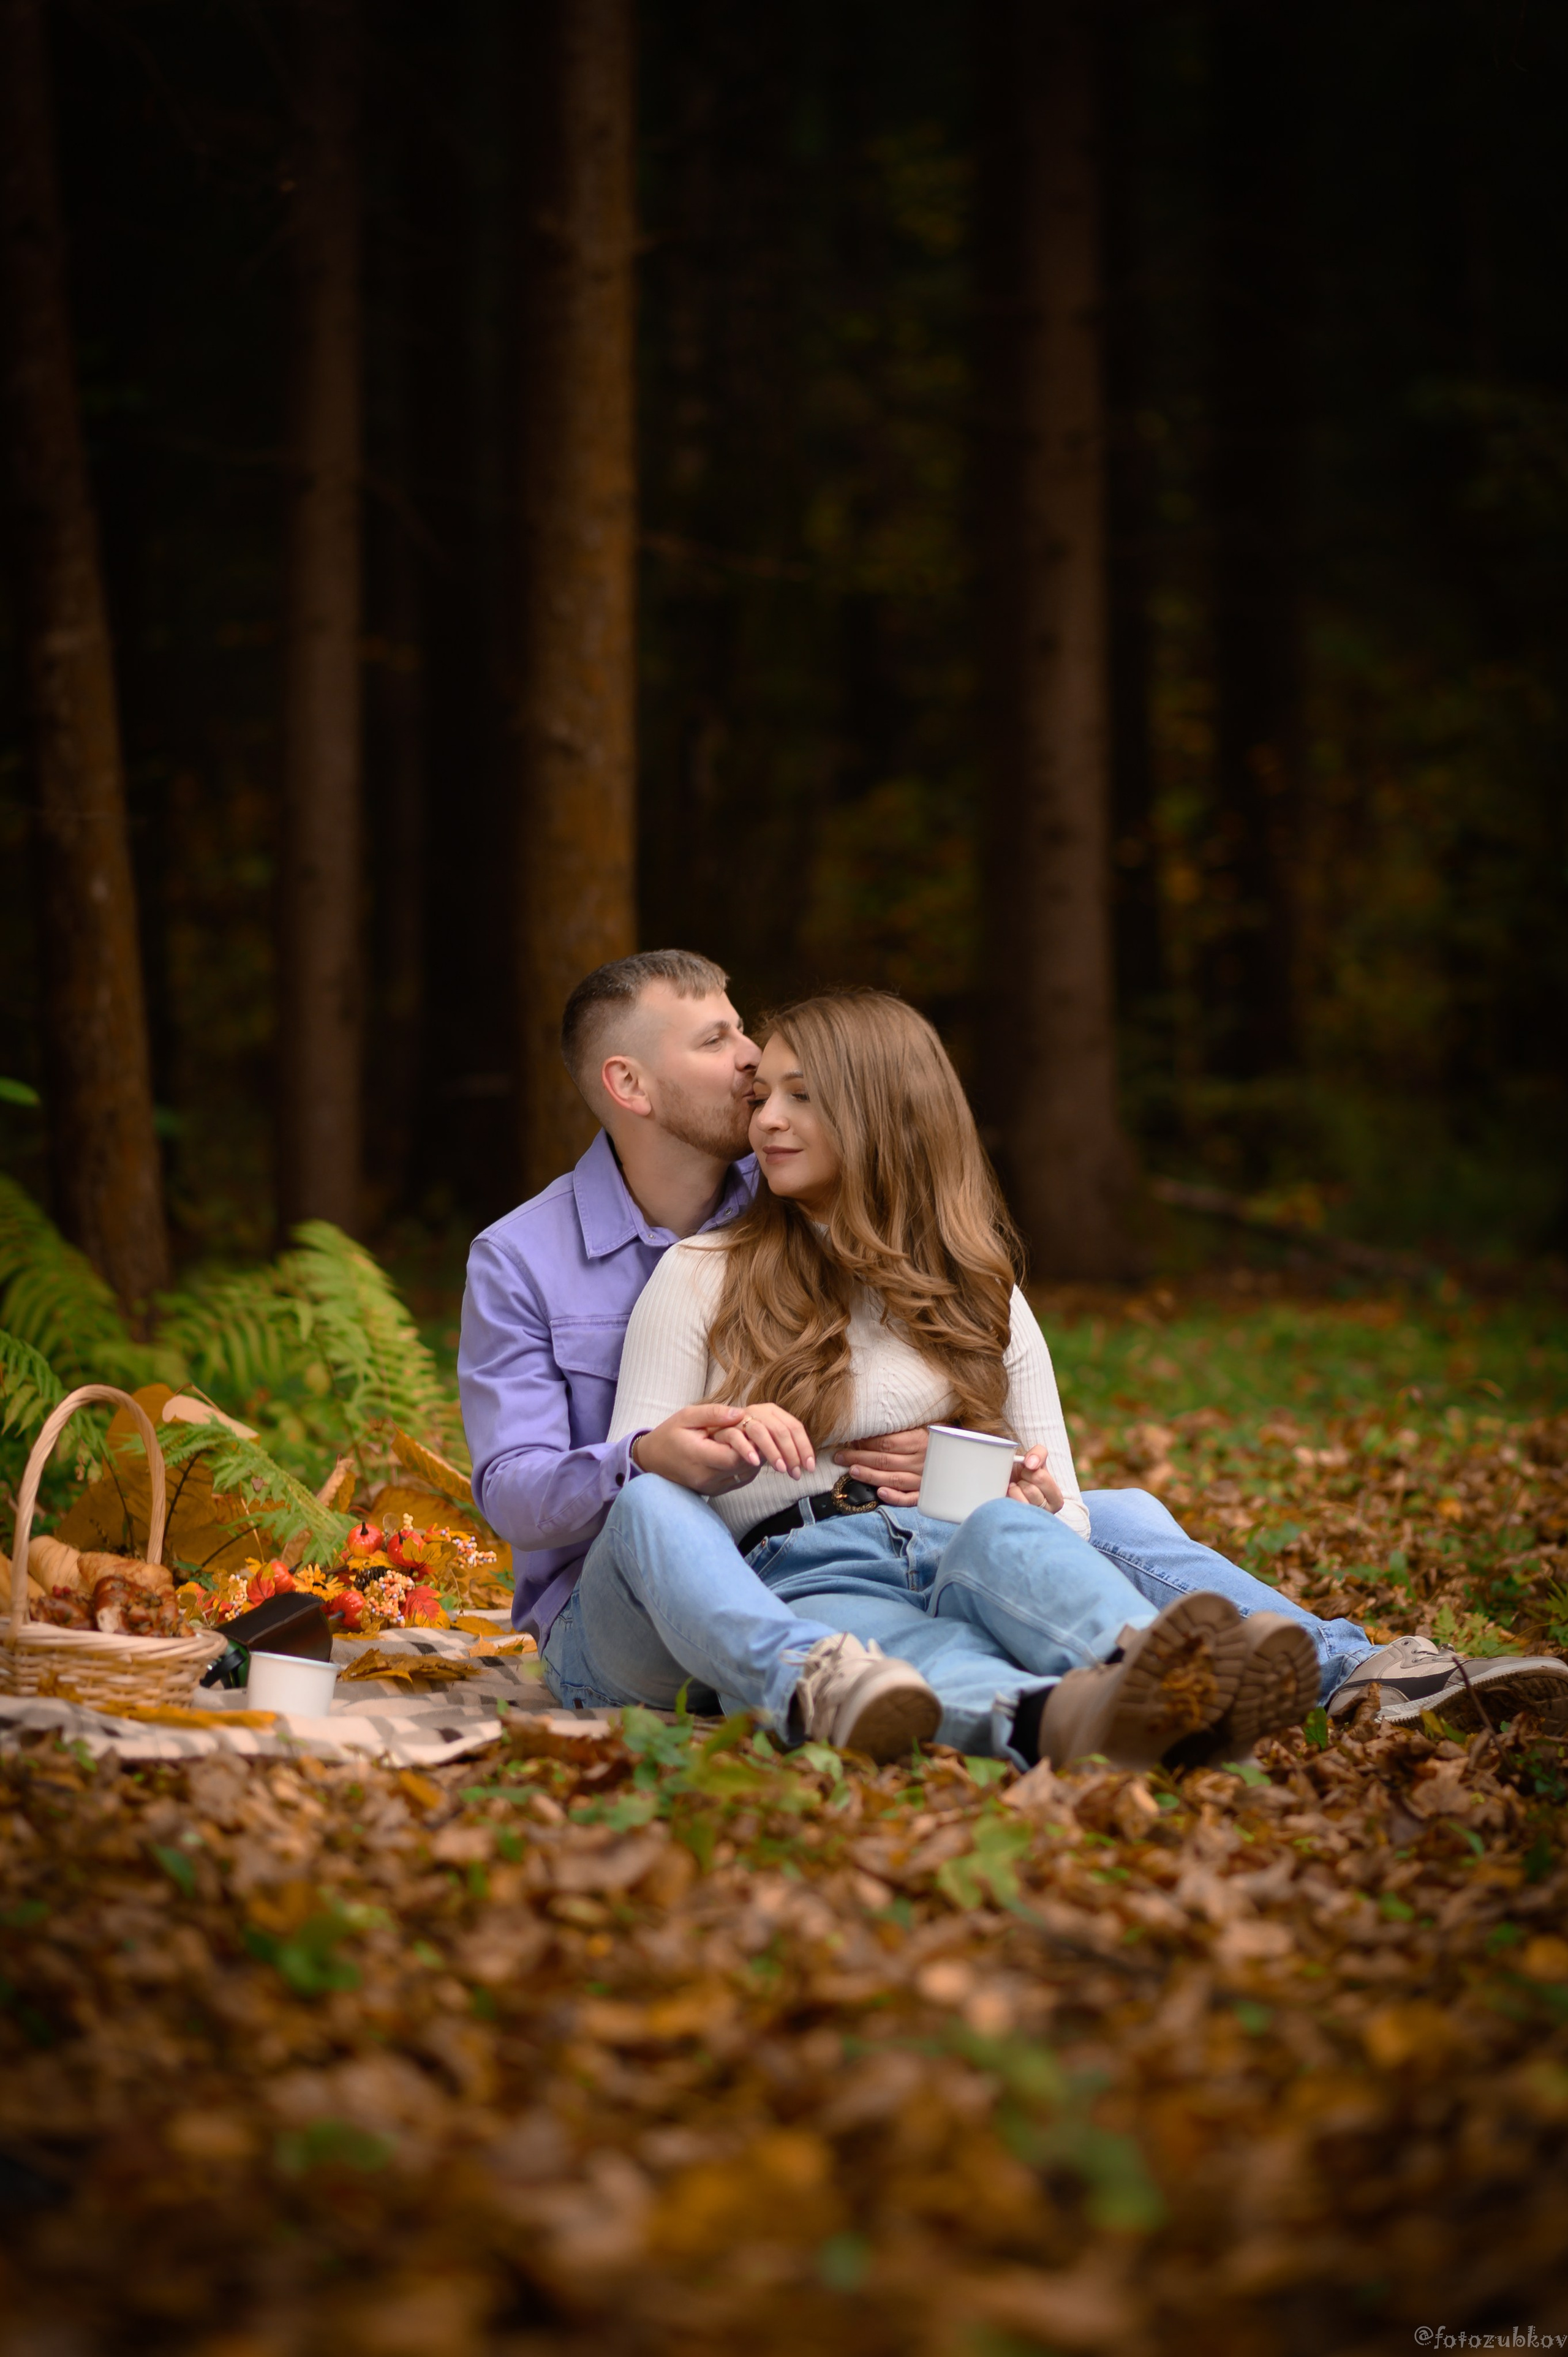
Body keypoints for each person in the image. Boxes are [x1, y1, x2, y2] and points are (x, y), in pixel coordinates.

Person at [460, 954, 1568, 1760]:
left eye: (784, 1074)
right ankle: (932, 1695)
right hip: (637, 1599)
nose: (757, 1085)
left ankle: (1306, 1674)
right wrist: (683, 1454)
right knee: (661, 1505)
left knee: (1100, 1516)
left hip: (932, 1537)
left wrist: (986, 1480)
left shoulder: (844, 1227)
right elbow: (553, 1496)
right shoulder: (601, 1261)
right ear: (629, 1086)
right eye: (731, 1054)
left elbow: (1048, 1489)